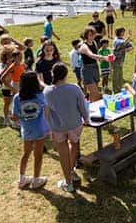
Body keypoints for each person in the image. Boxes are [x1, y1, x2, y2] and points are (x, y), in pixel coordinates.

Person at [44, 63, 87, 192]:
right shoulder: (74, 88)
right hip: (75, 125)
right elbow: (82, 106)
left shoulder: (47, 91)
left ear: (53, 74)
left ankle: (68, 182)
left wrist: (48, 127)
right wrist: (86, 118)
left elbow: (46, 112)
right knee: (74, 145)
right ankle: (72, 171)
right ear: (66, 74)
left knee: (63, 154)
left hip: (58, 127)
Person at [11, 71, 48, 190]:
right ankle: (36, 180)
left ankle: (22, 179)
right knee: (38, 155)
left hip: (26, 130)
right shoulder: (40, 96)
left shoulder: (17, 97)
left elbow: (15, 117)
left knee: (26, 153)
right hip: (40, 130)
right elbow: (47, 111)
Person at [76, 28, 110, 102]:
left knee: (93, 94)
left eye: (93, 34)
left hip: (95, 67)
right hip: (87, 70)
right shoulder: (84, 46)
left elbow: (96, 54)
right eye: (90, 35)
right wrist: (103, 57)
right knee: (96, 94)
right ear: (86, 36)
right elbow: (91, 55)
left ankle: (91, 108)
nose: (92, 36)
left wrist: (108, 57)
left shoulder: (94, 42)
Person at [0, 45, 26, 129]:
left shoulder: (20, 65)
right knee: (7, 103)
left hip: (17, 85)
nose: (13, 58)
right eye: (10, 56)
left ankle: (16, 119)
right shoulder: (5, 65)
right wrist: (11, 87)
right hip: (8, 87)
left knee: (17, 103)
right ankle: (7, 118)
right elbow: (2, 76)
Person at [111, 27, 134, 94]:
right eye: (123, 31)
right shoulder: (116, 40)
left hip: (121, 60)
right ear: (120, 32)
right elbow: (121, 44)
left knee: (120, 76)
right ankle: (115, 91)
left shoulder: (122, 39)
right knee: (116, 76)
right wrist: (129, 37)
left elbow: (130, 45)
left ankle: (119, 89)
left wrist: (128, 48)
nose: (124, 33)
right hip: (115, 61)